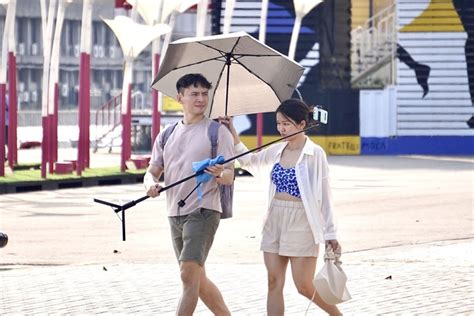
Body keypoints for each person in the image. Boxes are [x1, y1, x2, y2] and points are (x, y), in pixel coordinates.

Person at [220, 98, 342, 316]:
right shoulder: (277, 150)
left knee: (303, 286)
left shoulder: (315, 154)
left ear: (302, 124)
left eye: (286, 123)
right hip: (274, 219)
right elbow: (249, 161)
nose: (281, 128)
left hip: (302, 222)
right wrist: (232, 130)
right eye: (278, 123)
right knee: (273, 282)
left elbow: (325, 196)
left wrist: (330, 233)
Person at [144, 73, 234, 316]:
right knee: (196, 277)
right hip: (174, 212)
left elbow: (229, 176)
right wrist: (150, 184)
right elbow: (152, 170)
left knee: (187, 274)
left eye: (205, 94)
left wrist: (217, 174)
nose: (201, 99)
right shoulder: (166, 134)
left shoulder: (218, 132)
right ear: (179, 97)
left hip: (203, 211)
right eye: (194, 94)